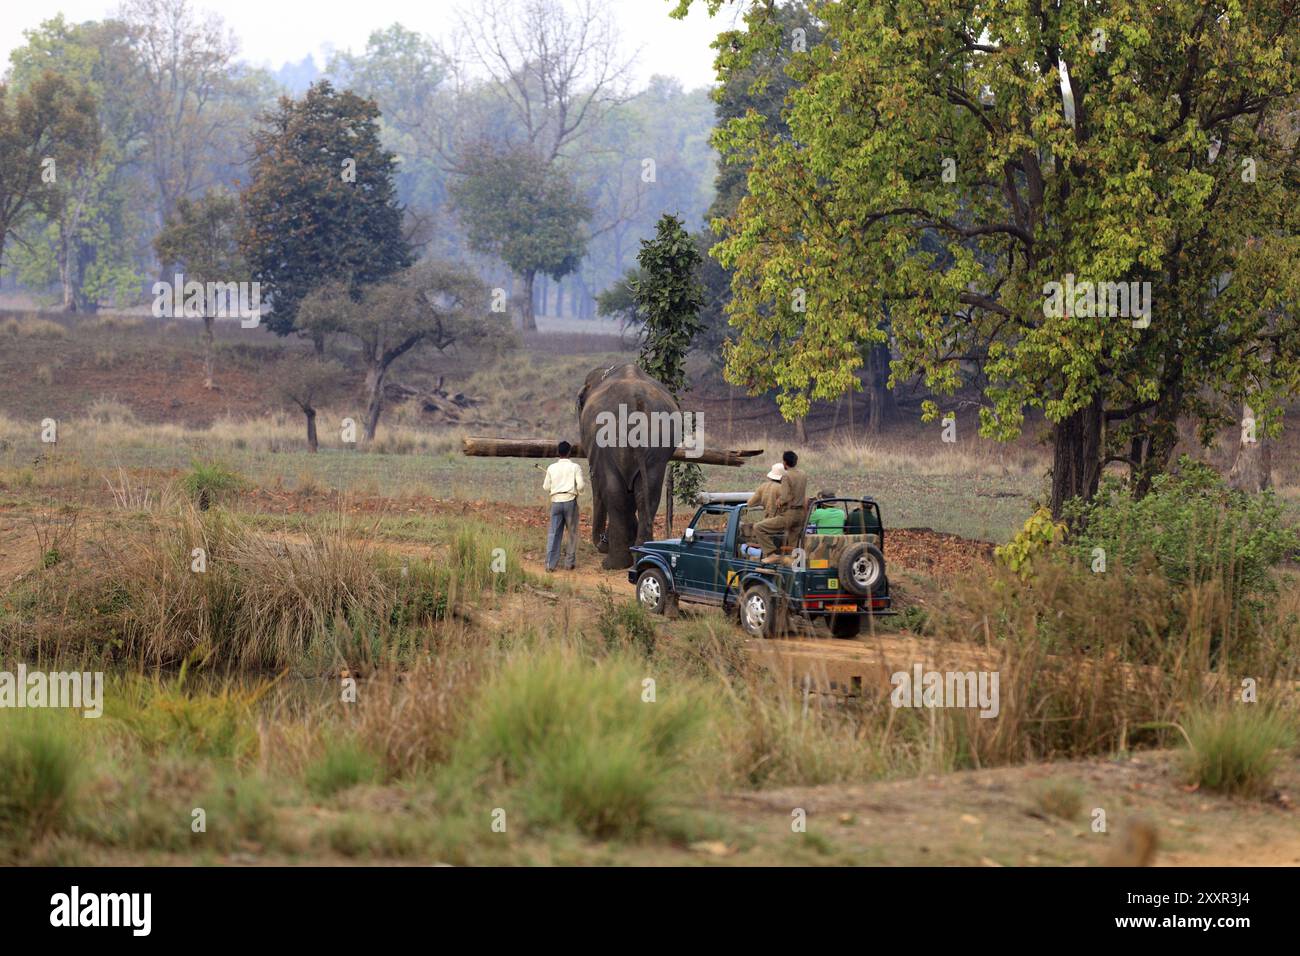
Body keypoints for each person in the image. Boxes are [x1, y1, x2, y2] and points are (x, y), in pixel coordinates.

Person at [752, 450, 808, 555]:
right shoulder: (803, 474)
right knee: (793, 543)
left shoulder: (786, 476)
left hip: (789, 515)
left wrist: (780, 500)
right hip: (801, 514)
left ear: (785, 463)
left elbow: (785, 496)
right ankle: (793, 563)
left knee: (758, 527)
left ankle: (771, 553)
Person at [543, 441, 584, 572]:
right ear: (569, 452)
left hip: (556, 502)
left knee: (554, 533)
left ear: (558, 453)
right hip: (570, 501)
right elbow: (581, 485)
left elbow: (546, 487)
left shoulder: (551, 468)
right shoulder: (575, 467)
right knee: (572, 533)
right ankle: (569, 564)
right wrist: (578, 492)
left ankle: (550, 564)